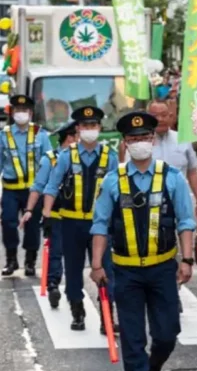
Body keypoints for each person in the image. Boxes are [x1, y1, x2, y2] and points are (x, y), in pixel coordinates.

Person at [90, 111, 196, 371]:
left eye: (144, 138)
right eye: (133, 139)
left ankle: (153, 369)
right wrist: (96, 265)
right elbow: (100, 225)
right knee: (133, 336)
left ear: (153, 139)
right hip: (126, 272)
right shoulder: (112, 181)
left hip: (163, 269)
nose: (139, 143)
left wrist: (187, 259)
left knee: (167, 334)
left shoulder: (171, 177)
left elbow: (186, 221)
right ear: (125, 143)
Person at [41, 106, 119, 333]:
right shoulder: (67, 156)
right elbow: (52, 186)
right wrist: (47, 215)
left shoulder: (109, 157)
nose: (89, 130)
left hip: (100, 225)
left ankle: (107, 316)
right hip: (71, 223)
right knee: (73, 270)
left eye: (93, 125)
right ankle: (77, 312)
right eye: (85, 126)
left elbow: (117, 190)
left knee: (105, 269)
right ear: (78, 128)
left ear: (100, 128)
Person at [19, 121, 77, 307]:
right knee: (56, 251)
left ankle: (76, 294)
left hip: (79, 217)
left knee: (75, 255)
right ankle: (53, 285)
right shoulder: (50, 159)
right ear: (70, 137)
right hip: (57, 215)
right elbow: (38, 186)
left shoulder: (84, 158)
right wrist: (29, 210)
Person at [0, 94, 53, 276]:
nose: (21, 113)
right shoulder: (3, 135)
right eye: (17, 110)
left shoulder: (41, 134)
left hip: (34, 191)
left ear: (30, 113)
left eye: (24, 110)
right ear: (12, 112)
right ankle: (11, 260)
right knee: (8, 222)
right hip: (10, 190)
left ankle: (30, 261)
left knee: (32, 226)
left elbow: (49, 162)